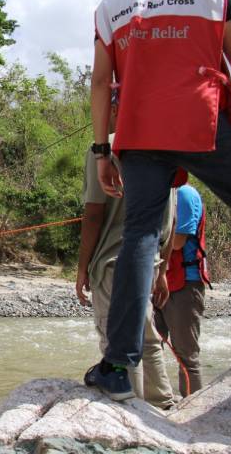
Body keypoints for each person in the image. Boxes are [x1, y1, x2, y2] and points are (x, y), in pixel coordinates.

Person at [85, 0, 231, 401]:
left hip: (140, 130)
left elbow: (100, 83)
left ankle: (117, 365)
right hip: (201, 119)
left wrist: (101, 150)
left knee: (139, 236)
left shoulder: (111, 3)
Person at [77, 125, 176, 408]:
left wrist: (83, 267)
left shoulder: (104, 149)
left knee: (117, 344)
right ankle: (163, 405)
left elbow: (94, 213)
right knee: (147, 336)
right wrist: (163, 270)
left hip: (112, 263)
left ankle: (131, 416)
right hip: (151, 260)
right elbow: (173, 217)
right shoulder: (167, 145)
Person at [155, 184, 210, 397]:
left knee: (187, 356)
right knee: (151, 347)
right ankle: (157, 402)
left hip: (185, 285)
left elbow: (177, 242)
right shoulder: (162, 194)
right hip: (160, 280)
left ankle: (192, 413)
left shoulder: (185, 194)